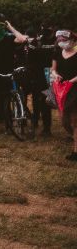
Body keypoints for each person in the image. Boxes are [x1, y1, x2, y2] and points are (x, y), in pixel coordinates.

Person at [49, 29, 77, 161]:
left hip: (74, 88)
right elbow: (53, 69)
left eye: (64, 41)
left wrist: (72, 81)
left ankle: (76, 151)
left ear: (72, 41)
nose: (62, 43)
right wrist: (55, 75)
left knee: (75, 121)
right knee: (63, 120)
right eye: (60, 41)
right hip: (60, 89)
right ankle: (73, 136)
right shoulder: (57, 53)